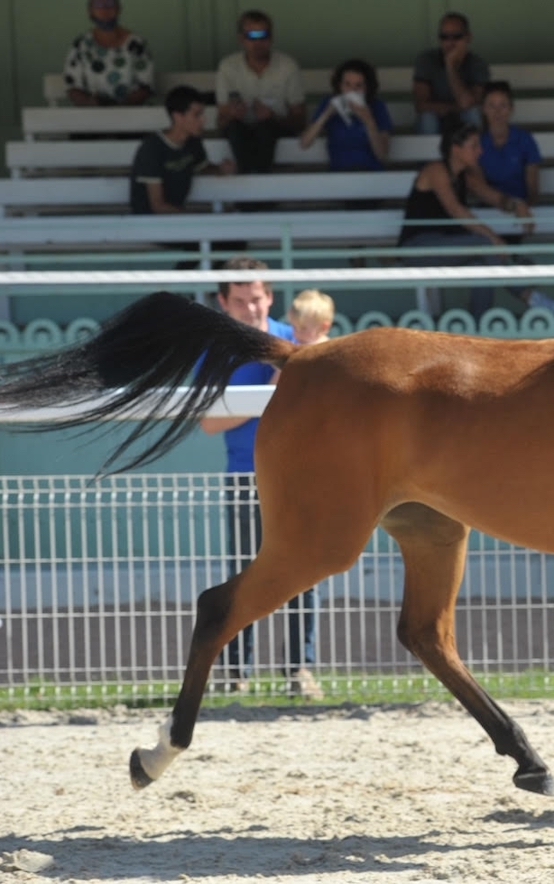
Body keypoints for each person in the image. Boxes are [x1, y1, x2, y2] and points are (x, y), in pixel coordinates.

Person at [200, 257, 323, 700]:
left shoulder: (301, 340)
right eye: (240, 301)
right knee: (245, 576)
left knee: (304, 574)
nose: (251, 309)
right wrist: (271, 388)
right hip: (244, 478)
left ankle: (300, 671)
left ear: (270, 297)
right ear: (223, 302)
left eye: (257, 299)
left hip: (301, 479)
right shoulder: (215, 351)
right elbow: (208, 424)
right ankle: (236, 673)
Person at [398, 122, 554, 318]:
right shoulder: (436, 170)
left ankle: (478, 324)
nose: (480, 151)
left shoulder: (465, 177)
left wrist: (517, 205)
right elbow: (457, 211)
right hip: (418, 247)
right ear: (456, 149)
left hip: (443, 247)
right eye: (474, 146)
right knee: (485, 245)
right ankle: (530, 297)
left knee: (483, 266)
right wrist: (493, 239)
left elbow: (495, 198)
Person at [214, 10, 305, 175]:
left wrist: (273, 117)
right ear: (241, 39)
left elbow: (300, 120)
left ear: (271, 38)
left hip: (276, 129)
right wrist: (232, 115)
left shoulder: (287, 65)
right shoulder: (228, 67)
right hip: (240, 130)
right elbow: (221, 123)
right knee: (235, 129)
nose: (258, 43)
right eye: (251, 37)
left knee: (265, 128)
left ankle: (251, 189)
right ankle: (257, 189)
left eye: (263, 36)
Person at [130, 86, 234, 215]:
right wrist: (193, 220)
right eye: (197, 115)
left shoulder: (193, 141)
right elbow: (157, 206)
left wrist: (220, 169)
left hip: (176, 219)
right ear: (178, 117)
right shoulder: (152, 148)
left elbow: (201, 167)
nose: (203, 120)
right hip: (149, 224)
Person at [299, 59, 393, 172]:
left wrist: (369, 121)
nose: (352, 91)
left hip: (370, 174)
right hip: (339, 175)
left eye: (358, 86)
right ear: (339, 86)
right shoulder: (329, 103)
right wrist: (326, 115)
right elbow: (305, 143)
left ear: (367, 88)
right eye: (347, 84)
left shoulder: (377, 106)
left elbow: (382, 155)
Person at [478, 81, 543, 243]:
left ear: (511, 109)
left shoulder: (525, 140)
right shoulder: (477, 142)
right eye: (491, 106)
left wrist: (525, 208)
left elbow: (533, 188)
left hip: (519, 209)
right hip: (488, 209)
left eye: (503, 106)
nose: (497, 112)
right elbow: (478, 187)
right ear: (484, 109)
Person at [63, 0, 154, 107]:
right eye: (99, 6)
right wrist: (91, 103)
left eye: (110, 5)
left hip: (131, 114)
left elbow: (145, 86)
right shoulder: (81, 45)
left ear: (119, 9)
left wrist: (122, 108)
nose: (105, 10)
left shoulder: (137, 43)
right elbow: (73, 87)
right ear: (90, 12)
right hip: (91, 115)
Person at [412, 11, 489, 135]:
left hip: (463, 120)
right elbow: (421, 105)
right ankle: (431, 155)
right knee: (428, 118)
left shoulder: (477, 64)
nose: (450, 42)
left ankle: (473, 154)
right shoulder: (426, 60)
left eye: (456, 36)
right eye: (444, 37)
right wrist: (454, 109)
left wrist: (450, 67)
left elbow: (469, 104)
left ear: (468, 38)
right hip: (436, 119)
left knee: (473, 114)